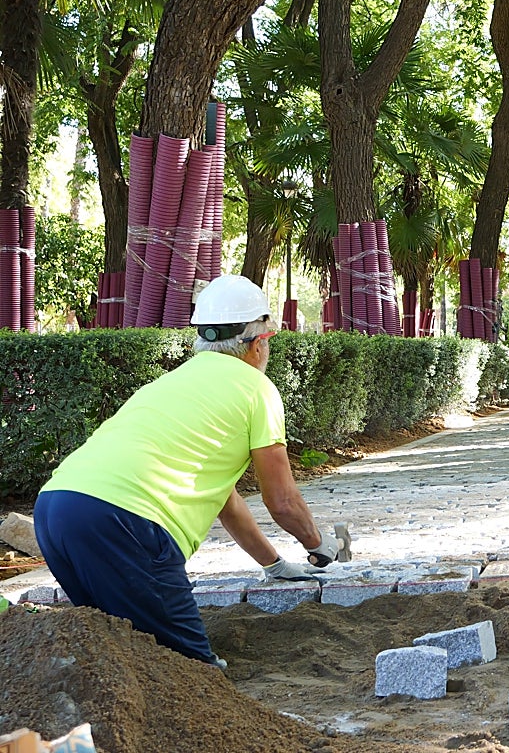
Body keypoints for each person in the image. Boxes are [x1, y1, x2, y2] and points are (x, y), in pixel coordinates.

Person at [33, 275, 344, 669]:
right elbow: (282, 501)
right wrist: (319, 544)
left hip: (56, 510)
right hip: (127, 523)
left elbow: (226, 501)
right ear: (258, 344)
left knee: (121, 650)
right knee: (193, 675)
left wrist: (274, 565)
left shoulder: (174, 382)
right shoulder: (257, 390)